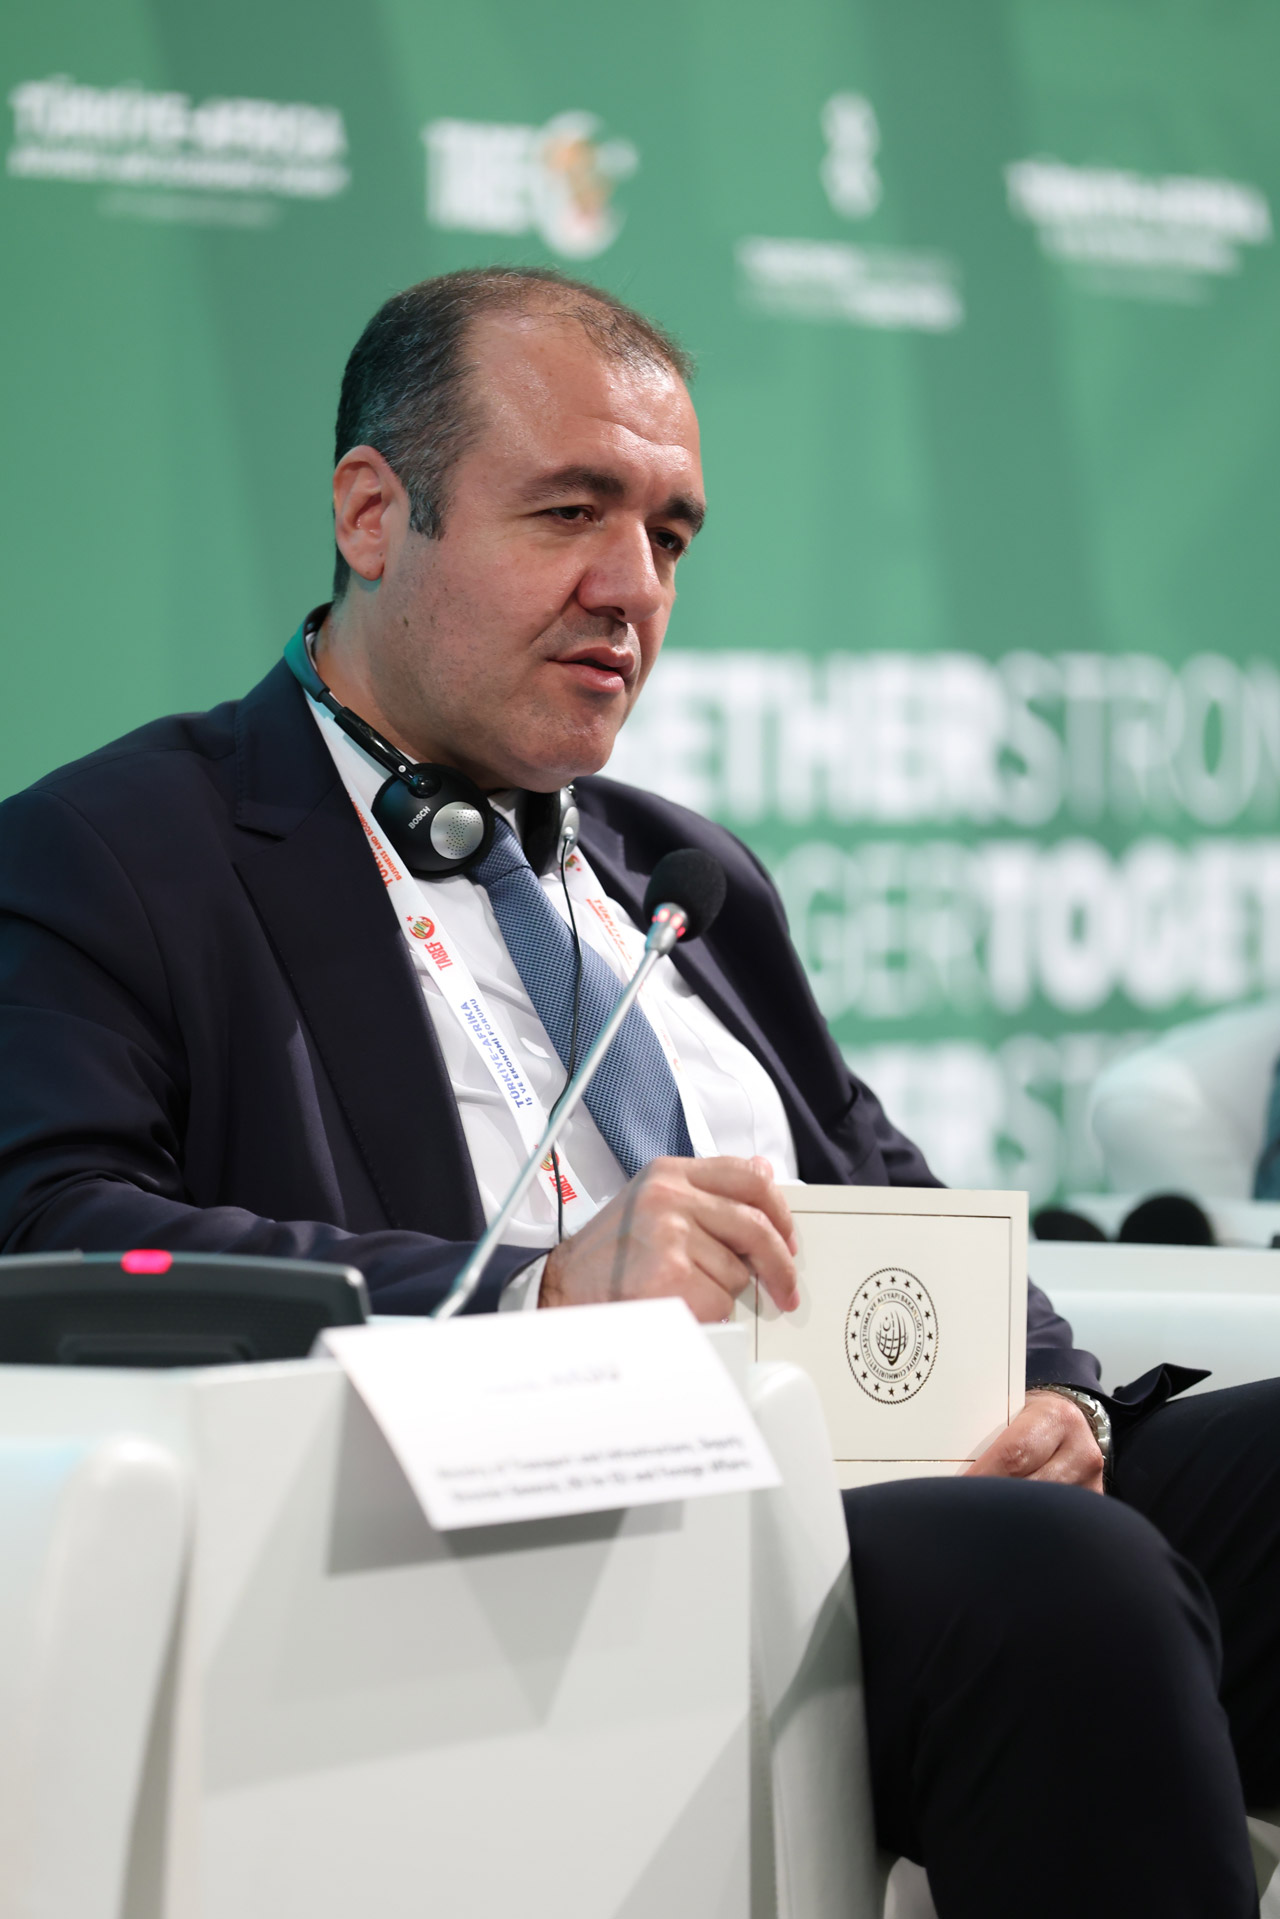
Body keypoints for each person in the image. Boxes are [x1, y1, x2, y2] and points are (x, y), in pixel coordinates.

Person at [0, 266, 1274, 1916]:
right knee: (1062, 1578)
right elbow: (57, 1232)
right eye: (569, 512)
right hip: (555, 1519)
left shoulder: (677, 867)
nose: (632, 588)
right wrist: (532, 1295)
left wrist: (1060, 1401)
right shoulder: (119, 853)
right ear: (375, 516)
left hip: (870, 1469)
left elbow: (889, 1188)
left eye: (669, 536)